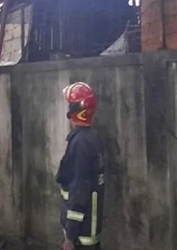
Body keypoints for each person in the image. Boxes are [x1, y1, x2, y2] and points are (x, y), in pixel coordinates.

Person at [56, 82, 104, 250]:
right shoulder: (88, 139)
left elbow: (79, 191)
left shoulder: (81, 144)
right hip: (85, 231)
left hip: (81, 236)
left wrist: (70, 237)